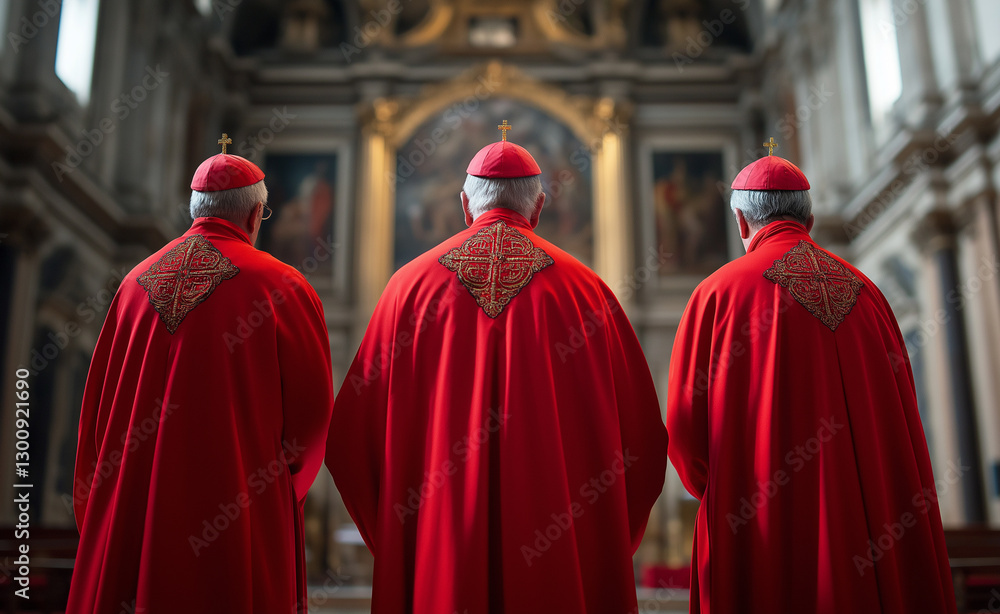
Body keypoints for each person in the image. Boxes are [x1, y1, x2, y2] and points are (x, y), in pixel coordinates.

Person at [326, 123, 667, 613]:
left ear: (466, 206)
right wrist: (600, 543)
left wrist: (407, 540)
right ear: (540, 206)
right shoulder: (587, 292)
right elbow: (643, 443)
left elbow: (350, 441)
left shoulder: (408, 289)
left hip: (439, 561)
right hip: (558, 563)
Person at [666, 144, 956, 614]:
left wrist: (731, 489)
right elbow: (901, 423)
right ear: (811, 219)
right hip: (870, 530)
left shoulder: (717, 294)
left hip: (759, 526)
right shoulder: (869, 295)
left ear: (741, 223)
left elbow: (683, 431)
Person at [67, 137, 334, 614]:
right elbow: (312, 425)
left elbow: (96, 413)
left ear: (195, 209)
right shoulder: (284, 286)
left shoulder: (132, 285)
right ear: (254, 217)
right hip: (238, 513)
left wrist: (109, 503)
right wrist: (273, 498)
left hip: (136, 509)